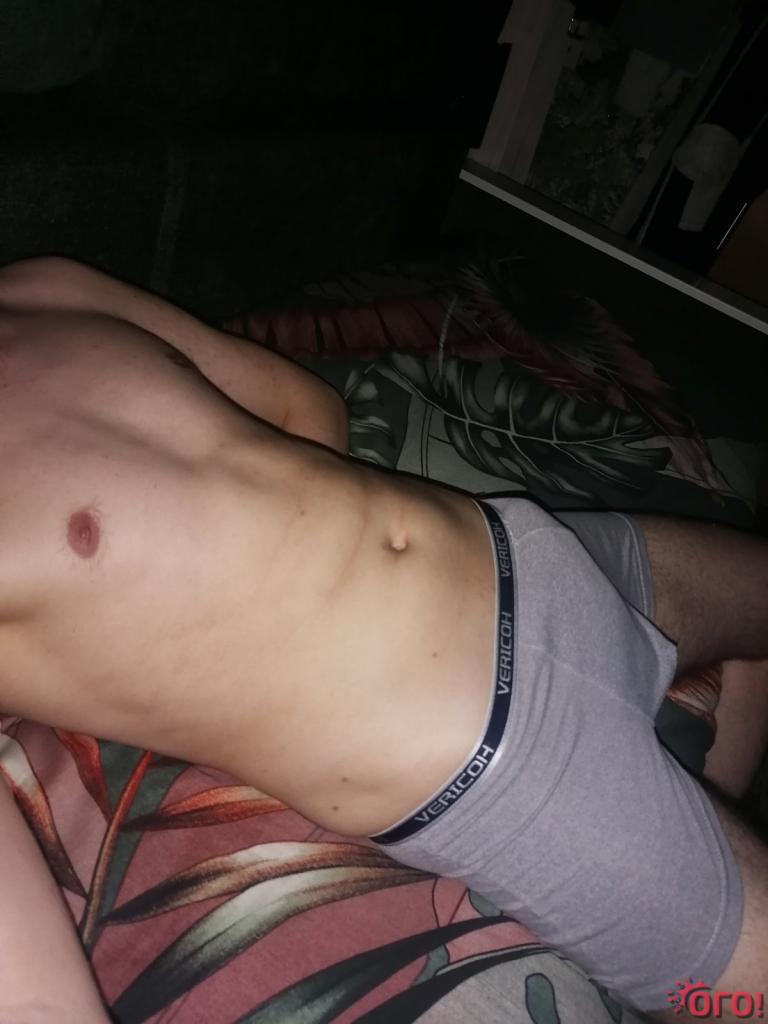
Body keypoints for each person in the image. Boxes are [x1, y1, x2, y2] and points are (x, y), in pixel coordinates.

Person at [0, 255, 765, 1024]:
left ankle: (682, 822)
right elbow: (36, 1000)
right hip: (489, 751)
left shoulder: (42, 286)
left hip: (527, 547)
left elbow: (303, 405)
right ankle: (668, 872)